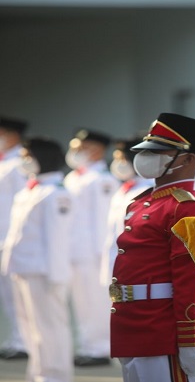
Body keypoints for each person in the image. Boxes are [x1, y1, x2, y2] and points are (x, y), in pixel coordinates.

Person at [110, 113, 195, 382]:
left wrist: (191, 336)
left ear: (187, 159)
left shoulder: (186, 206)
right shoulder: (141, 202)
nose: (145, 157)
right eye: (147, 151)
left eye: (160, 152)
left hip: (161, 326)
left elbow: (190, 277)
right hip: (131, 319)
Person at [2, 137, 74, 381]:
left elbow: (57, 239)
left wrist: (57, 277)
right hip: (23, 269)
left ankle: (56, 375)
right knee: (30, 328)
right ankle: (39, 373)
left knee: (50, 327)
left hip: (44, 272)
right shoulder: (29, 190)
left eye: (27, 155)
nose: (23, 161)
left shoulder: (55, 193)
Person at [63, 128, 120, 366]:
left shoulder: (103, 179)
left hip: (92, 250)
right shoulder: (73, 177)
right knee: (80, 300)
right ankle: (87, 343)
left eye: (81, 148)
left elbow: (103, 218)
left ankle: (100, 347)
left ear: (97, 150)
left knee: (96, 299)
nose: (75, 153)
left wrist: (102, 254)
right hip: (74, 248)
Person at [99, 136, 153, 286]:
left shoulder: (147, 189)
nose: (118, 164)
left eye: (123, 159)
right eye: (116, 158)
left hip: (134, 265)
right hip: (116, 261)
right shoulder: (123, 190)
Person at [0, 116, 29, 360]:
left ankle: (23, 341)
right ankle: (15, 338)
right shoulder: (5, 162)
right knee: (8, 295)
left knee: (18, 293)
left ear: (12, 135)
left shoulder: (19, 162)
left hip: (11, 237)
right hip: (2, 237)